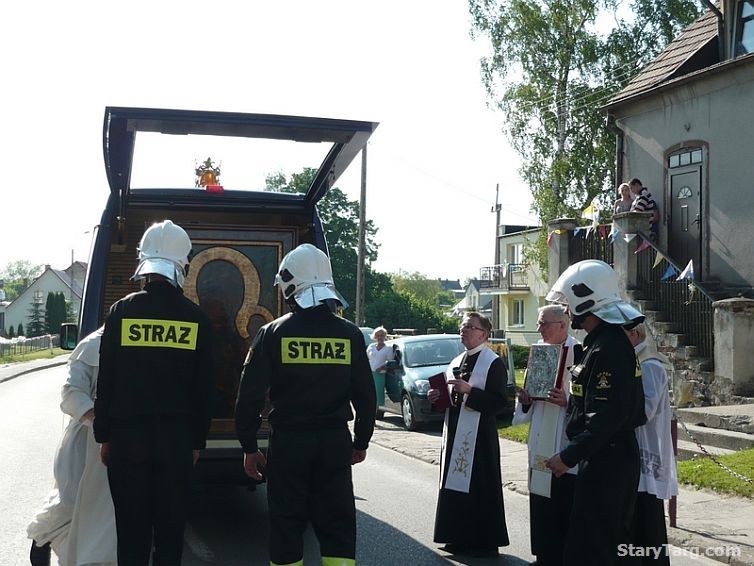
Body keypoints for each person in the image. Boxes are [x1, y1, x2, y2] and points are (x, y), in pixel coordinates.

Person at [235, 243, 376, 566]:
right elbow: (366, 397)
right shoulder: (350, 335)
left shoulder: (272, 333)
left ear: (290, 286)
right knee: (338, 525)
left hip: (290, 443)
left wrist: (248, 444)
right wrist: (361, 441)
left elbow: (250, 395)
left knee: (286, 522)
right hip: (334, 441)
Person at [94, 219, 214, 566]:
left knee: (131, 536)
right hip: (175, 443)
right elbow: (203, 389)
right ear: (184, 265)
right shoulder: (197, 319)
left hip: (126, 442)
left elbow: (108, 380)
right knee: (170, 534)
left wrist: (105, 436)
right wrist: (196, 442)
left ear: (143, 261)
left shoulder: (121, 311)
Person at [544, 259, 646, 566]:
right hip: (604, 457)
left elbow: (606, 417)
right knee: (597, 542)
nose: (565, 310)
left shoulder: (609, 348)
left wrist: (568, 456)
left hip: (608, 460)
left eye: (567, 303)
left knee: (598, 548)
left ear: (585, 299)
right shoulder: (600, 343)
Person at [27, 327, 117, 566]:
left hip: (118, 442)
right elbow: (71, 393)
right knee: (69, 503)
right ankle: (41, 539)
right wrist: (99, 422)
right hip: (84, 440)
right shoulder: (91, 346)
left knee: (103, 514)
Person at [429, 312, 510, 558]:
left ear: (483, 334)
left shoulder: (493, 362)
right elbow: (449, 398)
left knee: (481, 487)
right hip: (455, 432)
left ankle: (485, 541)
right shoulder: (457, 360)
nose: (463, 330)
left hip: (480, 437)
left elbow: (500, 403)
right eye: (462, 326)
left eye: (470, 327)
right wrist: (436, 398)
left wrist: (470, 392)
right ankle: (458, 537)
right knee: (455, 485)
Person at [512, 305, 581, 566]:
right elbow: (526, 407)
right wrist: (526, 400)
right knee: (540, 499)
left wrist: (568, 400)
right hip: (541, 434)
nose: (539, 328)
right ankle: (543, 555)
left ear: (563, 325)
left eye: (544, 324)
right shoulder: (539, 353)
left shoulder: (579, 352)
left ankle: (563, 558)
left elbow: (591, 401)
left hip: (564, 438)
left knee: (564, 502)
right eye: (539, 323)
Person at [624, 323, 678, 565]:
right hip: (631, 452)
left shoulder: (650, 366)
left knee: (648, 525)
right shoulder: (633, 362)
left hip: (646, 451)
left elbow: (645, 410)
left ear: (634, 334)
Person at [366, 326, 394, 407]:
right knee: (369, 392)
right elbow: (366, 358)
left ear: (384, 336)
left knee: (378, 392)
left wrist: (382, 368)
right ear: (375, 336)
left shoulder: (388, 348)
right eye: (378, 335)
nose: (380, 337)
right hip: (370, 373)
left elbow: (390, 362)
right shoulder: (371, 347)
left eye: (381, 335)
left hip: (380, 374)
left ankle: (378, 410)